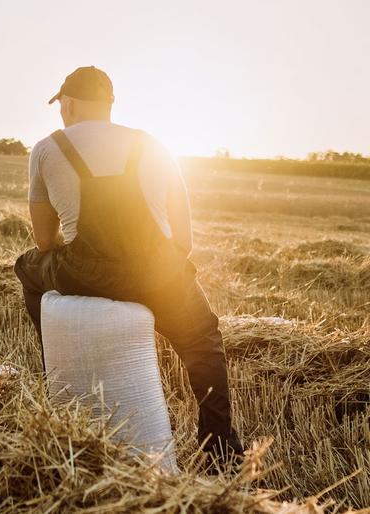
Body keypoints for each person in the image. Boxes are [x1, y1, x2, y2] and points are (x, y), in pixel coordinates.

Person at [13, 66, 244, 469]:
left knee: (27, 268)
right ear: (109, 105)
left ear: (66, 103)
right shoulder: (153, 145)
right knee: (203, 340)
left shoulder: (47, 148)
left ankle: (57, 367)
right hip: (159, 274)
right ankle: (220, 446)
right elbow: (184, 241)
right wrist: (160, 276)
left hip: (84, 273)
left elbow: (45, 242)